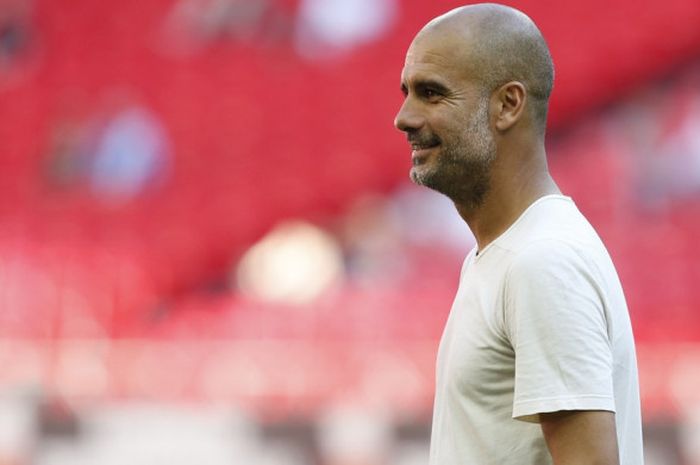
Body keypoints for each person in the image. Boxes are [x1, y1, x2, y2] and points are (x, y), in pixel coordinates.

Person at [393, 4, 643, 465]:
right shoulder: (506, 252)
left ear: (508, 104)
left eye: (431, 93)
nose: (403, 117)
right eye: (407, 92)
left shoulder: (543, 261)